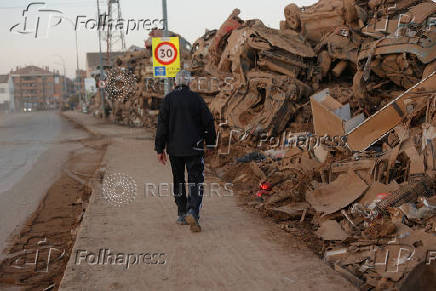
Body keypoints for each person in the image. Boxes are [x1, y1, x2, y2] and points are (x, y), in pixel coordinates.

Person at [155, 70, 216, 232]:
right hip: (194, 148)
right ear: (189, 83)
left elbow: (161, 126)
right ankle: (193, 211)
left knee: (179, 179)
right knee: (196, 179)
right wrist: (210, 144)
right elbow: (209, 122)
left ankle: (182, 213)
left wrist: (159, 149)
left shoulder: (168, 100)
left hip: (175, 149)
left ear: (175, 83)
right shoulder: (197, 99)